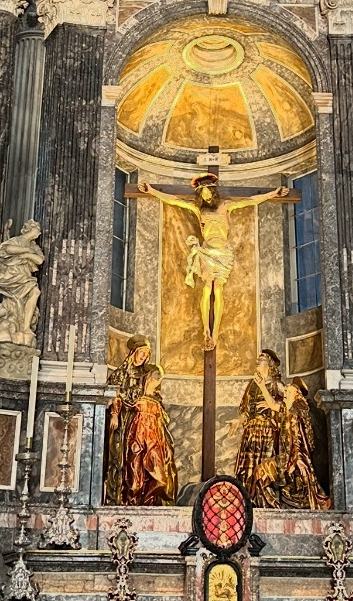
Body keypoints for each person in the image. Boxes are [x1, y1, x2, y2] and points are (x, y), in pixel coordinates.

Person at [139, 174, 284, 347]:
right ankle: (205, 330)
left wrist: (273, 193)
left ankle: (215, 332)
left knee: (219, 290)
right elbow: (174, 201)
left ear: (213, 192)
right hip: (207, 252)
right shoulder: (199, 209)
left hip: (223, 253)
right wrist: (151, 191)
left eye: (208, 192)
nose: (206, 196)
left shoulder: (225, 206)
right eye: (203, 193)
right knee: (207, 289)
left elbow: (250, 201)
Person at [105, 334, 152, 502]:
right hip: (122, 419)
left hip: (139, 421)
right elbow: (114, 394)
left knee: (137, 457)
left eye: (146, 354)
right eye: (142, 352)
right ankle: (115, 497)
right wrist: (115, 414)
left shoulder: (146, 375)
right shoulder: (120, 374)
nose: (144, 356)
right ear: (134, 352)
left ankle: (135, 496)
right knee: (119, 456)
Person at [121, 367, 178, 505]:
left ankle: (149, 502)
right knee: (135, 474)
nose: (158, 379)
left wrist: (167, 445)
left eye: (160, 377)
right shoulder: (136, 396)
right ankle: (133, 503)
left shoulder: (157, 401)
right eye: (156, 376)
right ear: (148, 376)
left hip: (154, 438)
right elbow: (122, 404)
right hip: (137, 435)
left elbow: (163, 424)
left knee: (159, 477)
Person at [234, 350, 283, 506]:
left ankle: (265, 500)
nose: (257, 361)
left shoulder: (276, 384)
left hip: (267, 430)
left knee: (263, 465)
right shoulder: (252, 385)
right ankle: (247, 498)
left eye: (261, 359)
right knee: (247, 466)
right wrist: (239, 420)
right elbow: (246, 409)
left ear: (269, 365)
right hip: (251, 431)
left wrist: (271, 405)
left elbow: (287, 406)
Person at [279, 376, 331, 510]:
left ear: (296, 395)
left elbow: (298, 436)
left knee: (301, 477)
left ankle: (309, 499)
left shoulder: (294, 412)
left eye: (288, 392)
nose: (285, 394)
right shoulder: (289, 412)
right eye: (285, 392)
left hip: (297, 453)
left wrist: (297, 458)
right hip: (291, 453)